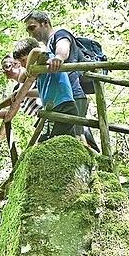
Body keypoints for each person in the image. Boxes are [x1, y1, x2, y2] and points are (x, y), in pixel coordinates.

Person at [23, 11, 100, 151]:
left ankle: (96, 167)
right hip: (62, 99)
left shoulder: (60, 34)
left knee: (76, 140)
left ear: (45, 23)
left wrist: (59, 57)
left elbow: (63, 46)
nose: (30, 33)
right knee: (72, 138)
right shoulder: (47, 48)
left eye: (32, 27)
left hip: (73, 96)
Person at [12, 38, 80, 142]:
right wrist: (25, 93)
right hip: (53, 108)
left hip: (63, 106)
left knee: (54, 144)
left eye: (23, 60)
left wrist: (27, 72)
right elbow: (42, 92)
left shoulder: (48, 60)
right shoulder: (41, 73)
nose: (23, 64)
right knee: (47, 143)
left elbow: (36, 51)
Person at [0, 54, 42, 121]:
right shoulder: (16, 89)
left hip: (51, 108)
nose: (4, 71)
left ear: (17, 64)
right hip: (42, 118)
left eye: (6, 66)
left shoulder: (28, 74)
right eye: (2, 69)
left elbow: (19, 94)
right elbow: (11, 110)